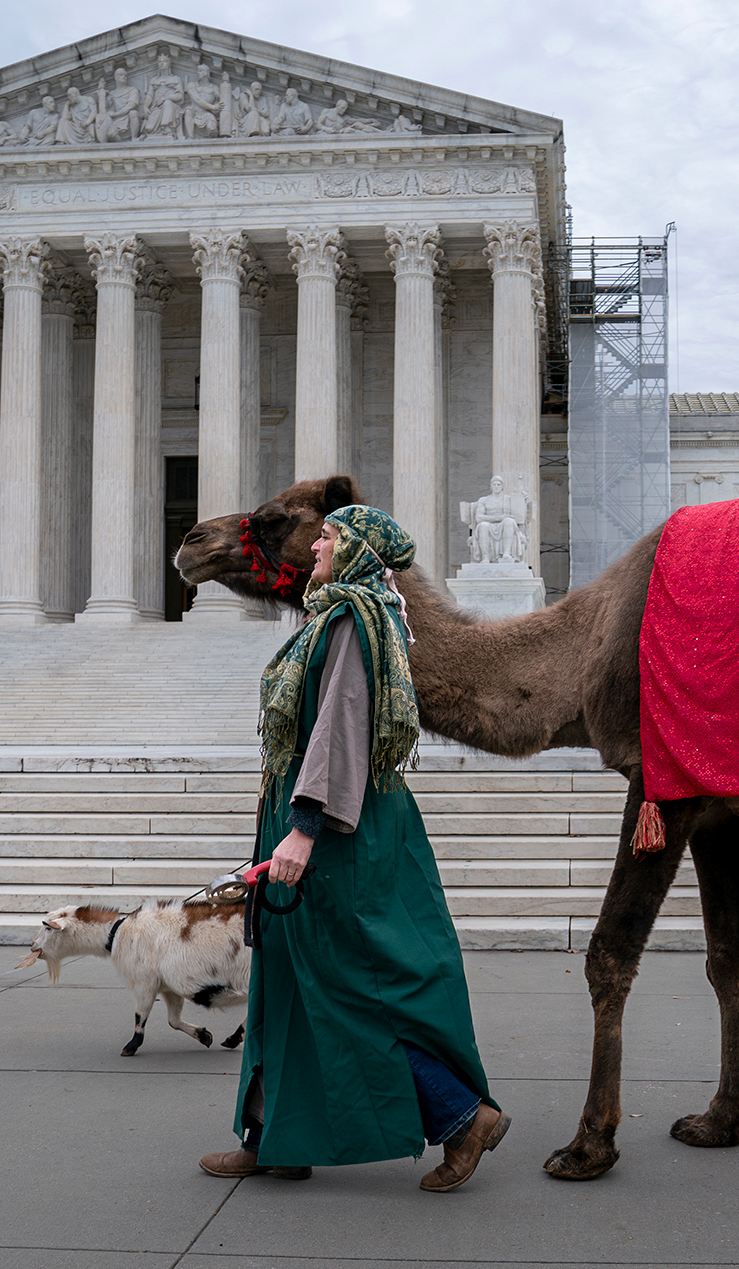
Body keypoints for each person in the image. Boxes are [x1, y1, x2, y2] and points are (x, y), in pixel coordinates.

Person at [200, 505, 510, 1192]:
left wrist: (303, 828)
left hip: (336, 828)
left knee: (341, 984)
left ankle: (462, 1116)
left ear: (360, 550)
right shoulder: (348, 613)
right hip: (329, 814)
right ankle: (273, 1134)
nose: (315, 544)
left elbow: (340, 726)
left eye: (330, 536)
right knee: (288, 980)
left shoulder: (350, 620)